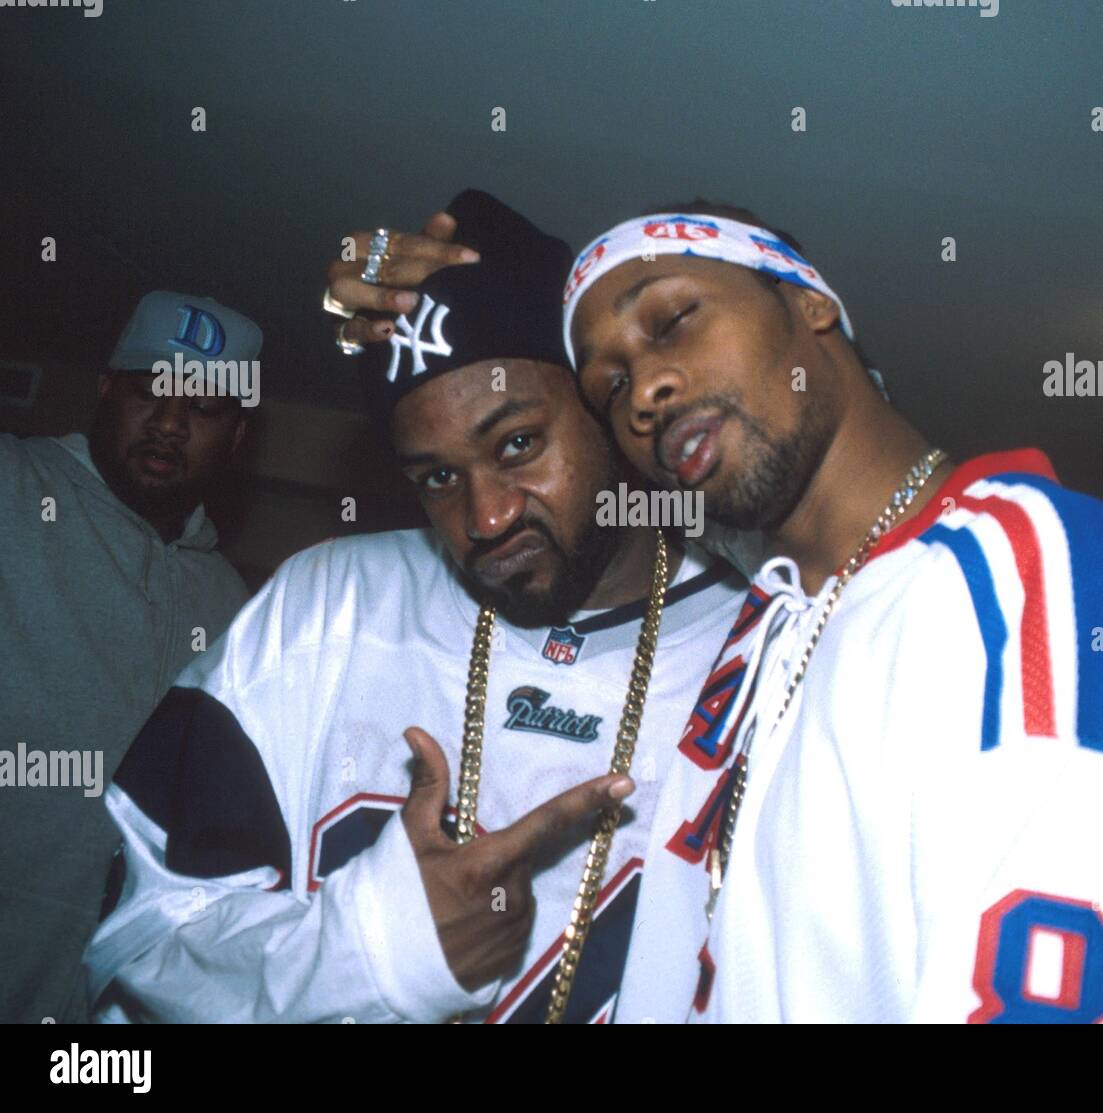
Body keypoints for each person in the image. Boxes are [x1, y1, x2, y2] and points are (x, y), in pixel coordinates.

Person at [562, 202, 1103, 1022]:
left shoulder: (1044, 569)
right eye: (611, 386)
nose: (645, 397)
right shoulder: (758, 639)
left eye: (674, 319)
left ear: (811, 303)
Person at [84, 191, 746, 1023]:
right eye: (437, 475)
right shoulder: (326, 602)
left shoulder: (758, 642)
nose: (487, 517)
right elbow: (135, 950)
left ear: (610, 409)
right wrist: (375, 949)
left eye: (517, 444)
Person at [0, 291, 256, 1022]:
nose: (171, 422)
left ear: (235, 435)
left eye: (204, 408)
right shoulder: (14, 488)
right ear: (107, 389)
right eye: (151, 390)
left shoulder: (234, 604)